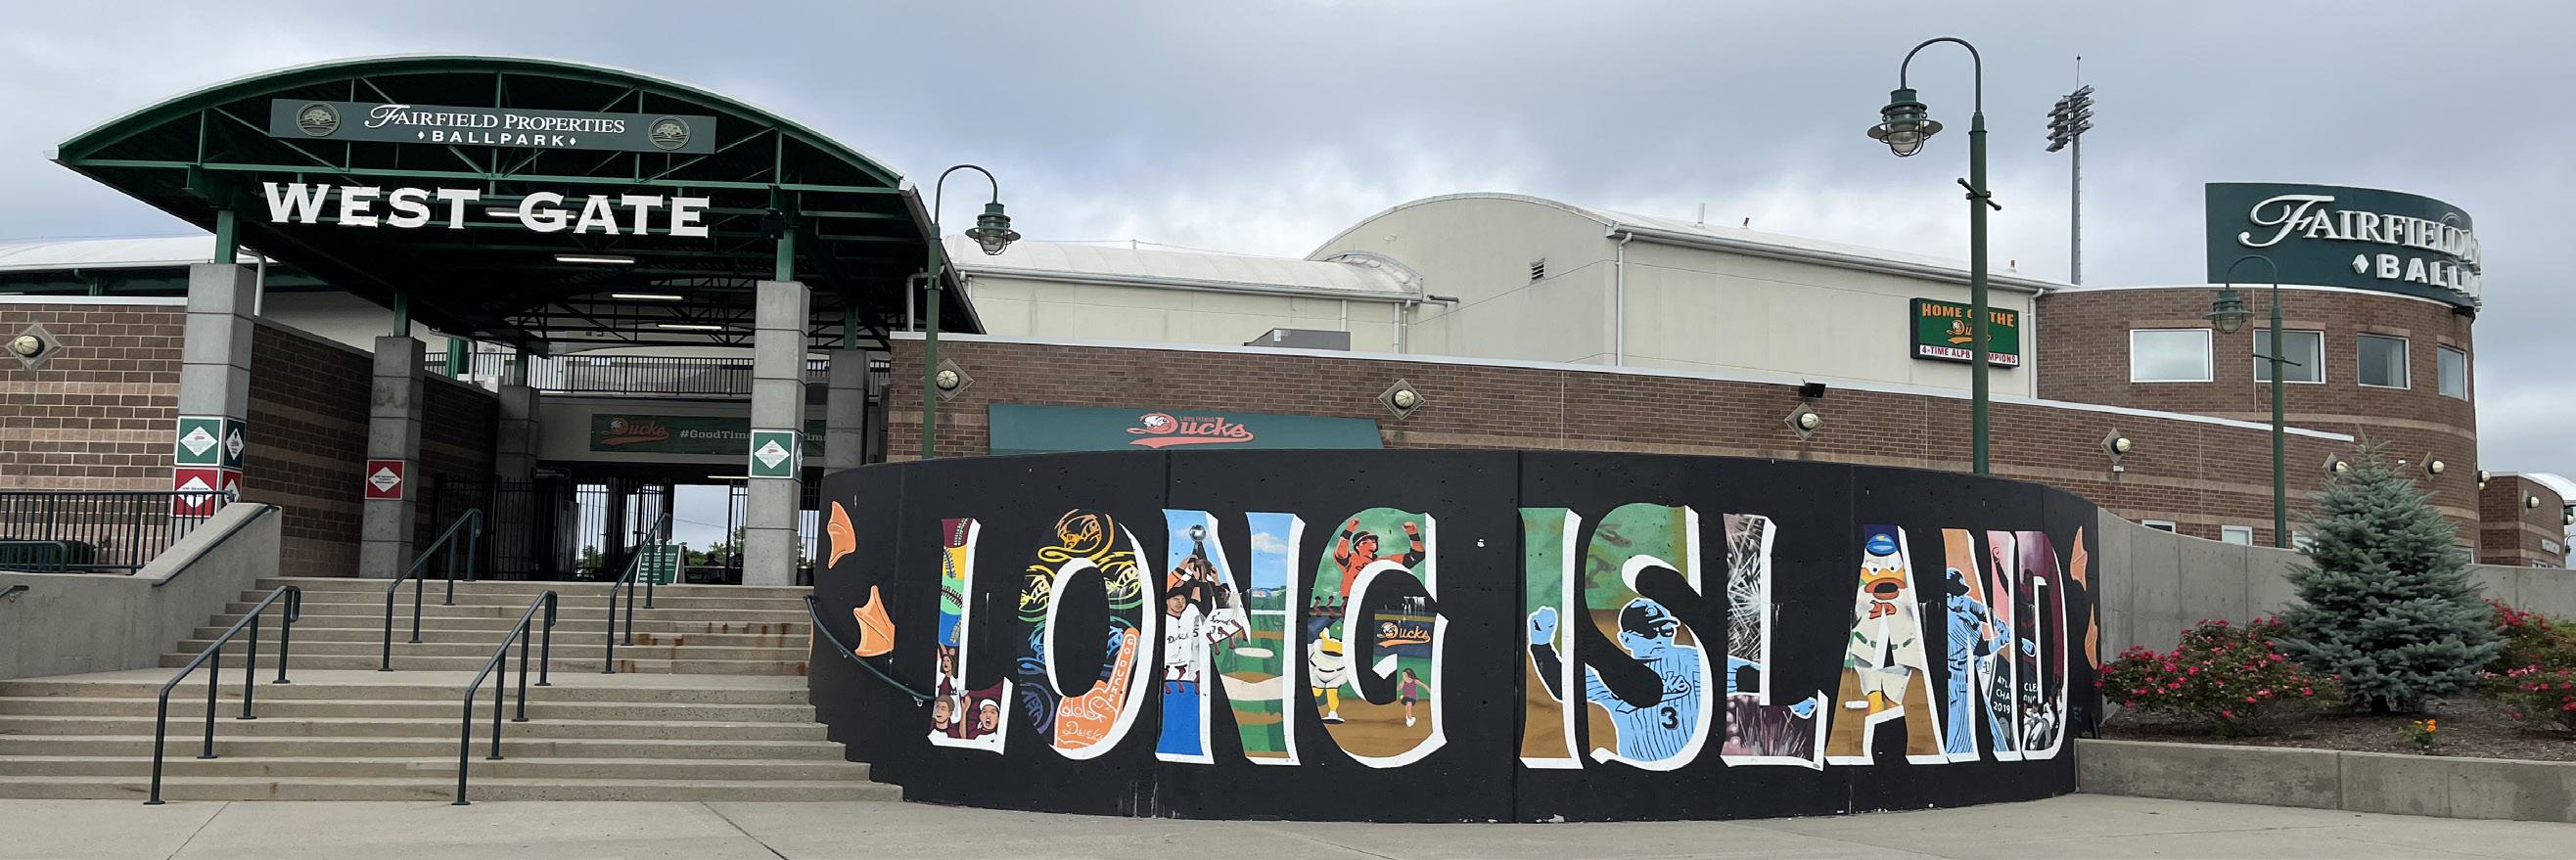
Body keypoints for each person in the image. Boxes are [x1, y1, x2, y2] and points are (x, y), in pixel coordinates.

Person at [1940, 566, 2009, 756]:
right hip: (1957, 683)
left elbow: (1979, 609)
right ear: (1947, 595)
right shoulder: (1954, 621)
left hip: (1965, 679)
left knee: (1991, 731)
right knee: (1960, 737)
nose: (1961, 598)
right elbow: (1981, 648)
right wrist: (2002, 640)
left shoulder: (1957, 607)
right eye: (1956, 594)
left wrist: (2000, 625)